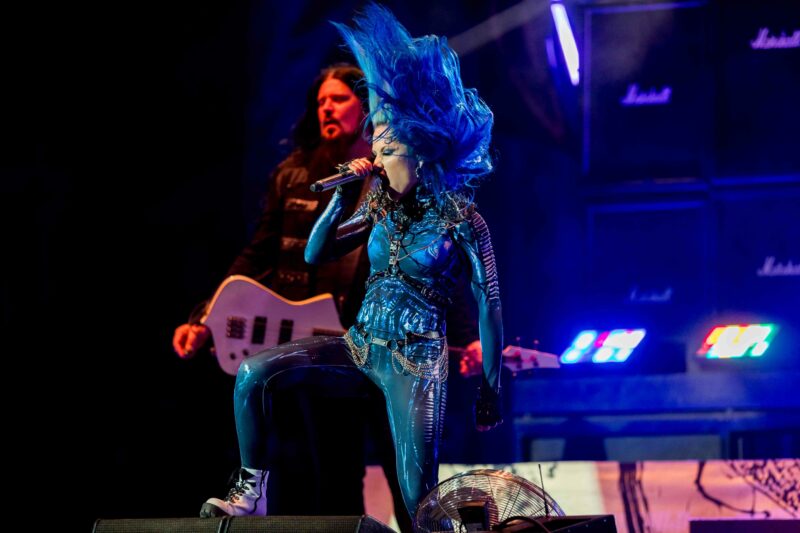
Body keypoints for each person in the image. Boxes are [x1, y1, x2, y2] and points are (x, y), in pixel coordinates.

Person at [199, 3, 504, 524]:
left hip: (415, 362)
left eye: (385, 141)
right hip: (359, 345)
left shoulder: (463, 219)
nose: (376, 153)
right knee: (253, 372)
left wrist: (491, 387)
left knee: (417, 497)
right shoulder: (378, 201)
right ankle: (251, 491)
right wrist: (340, 199)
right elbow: (317, 253)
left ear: (419, 148)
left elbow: (489, 306)